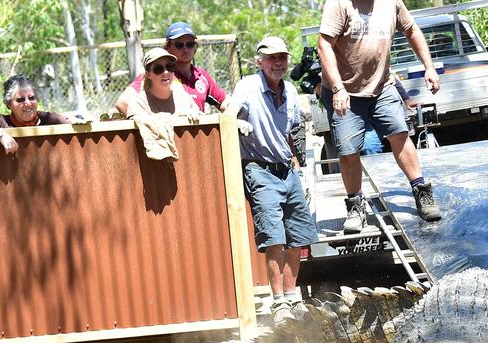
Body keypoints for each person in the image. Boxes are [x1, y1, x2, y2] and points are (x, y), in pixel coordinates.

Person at [318, 0, 443, 233]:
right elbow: (324, 45)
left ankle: (421, 192)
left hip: (382, 86)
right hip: (344, 89)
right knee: (347, 150)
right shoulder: (339, 4)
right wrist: (336, 88)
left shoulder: (392, 2)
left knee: (400, 134)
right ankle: (355, 205)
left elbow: (412, 29)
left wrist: (429, 66)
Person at [225, 36, 319, 324]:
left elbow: (294, 131)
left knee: (299, 235)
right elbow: (228, 111)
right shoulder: (247, 86)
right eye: (271, 58)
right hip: (258, 168)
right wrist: (234, 121)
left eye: (282, 58)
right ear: (260, 61)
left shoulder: (290, 90)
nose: (277, 63)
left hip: (287, 169)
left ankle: (292, 297)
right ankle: (278, 303)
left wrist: (300, 166)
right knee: (274, 237)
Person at [115, 22, 228, 116]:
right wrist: (157, 124)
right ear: (168, 47)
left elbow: (225, 103)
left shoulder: (202, 77)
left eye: (189, 44)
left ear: (195, 47)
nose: (185, 49)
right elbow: (123, 103)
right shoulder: (158, 74)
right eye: (179, 45)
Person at [0, 75, 69, 155]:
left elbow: (72, 124)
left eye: (31, 98)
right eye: (20, 100)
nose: (27, 103)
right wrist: (1, 135)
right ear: (9, 104)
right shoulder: (1, 123)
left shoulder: (50, 119)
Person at [120, 48, 202, 118]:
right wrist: (178, 118)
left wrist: (194, 115)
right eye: (158, 69)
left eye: (170, 67)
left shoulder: (183, 97)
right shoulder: (139, 103)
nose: (166, 72)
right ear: (148, 74)